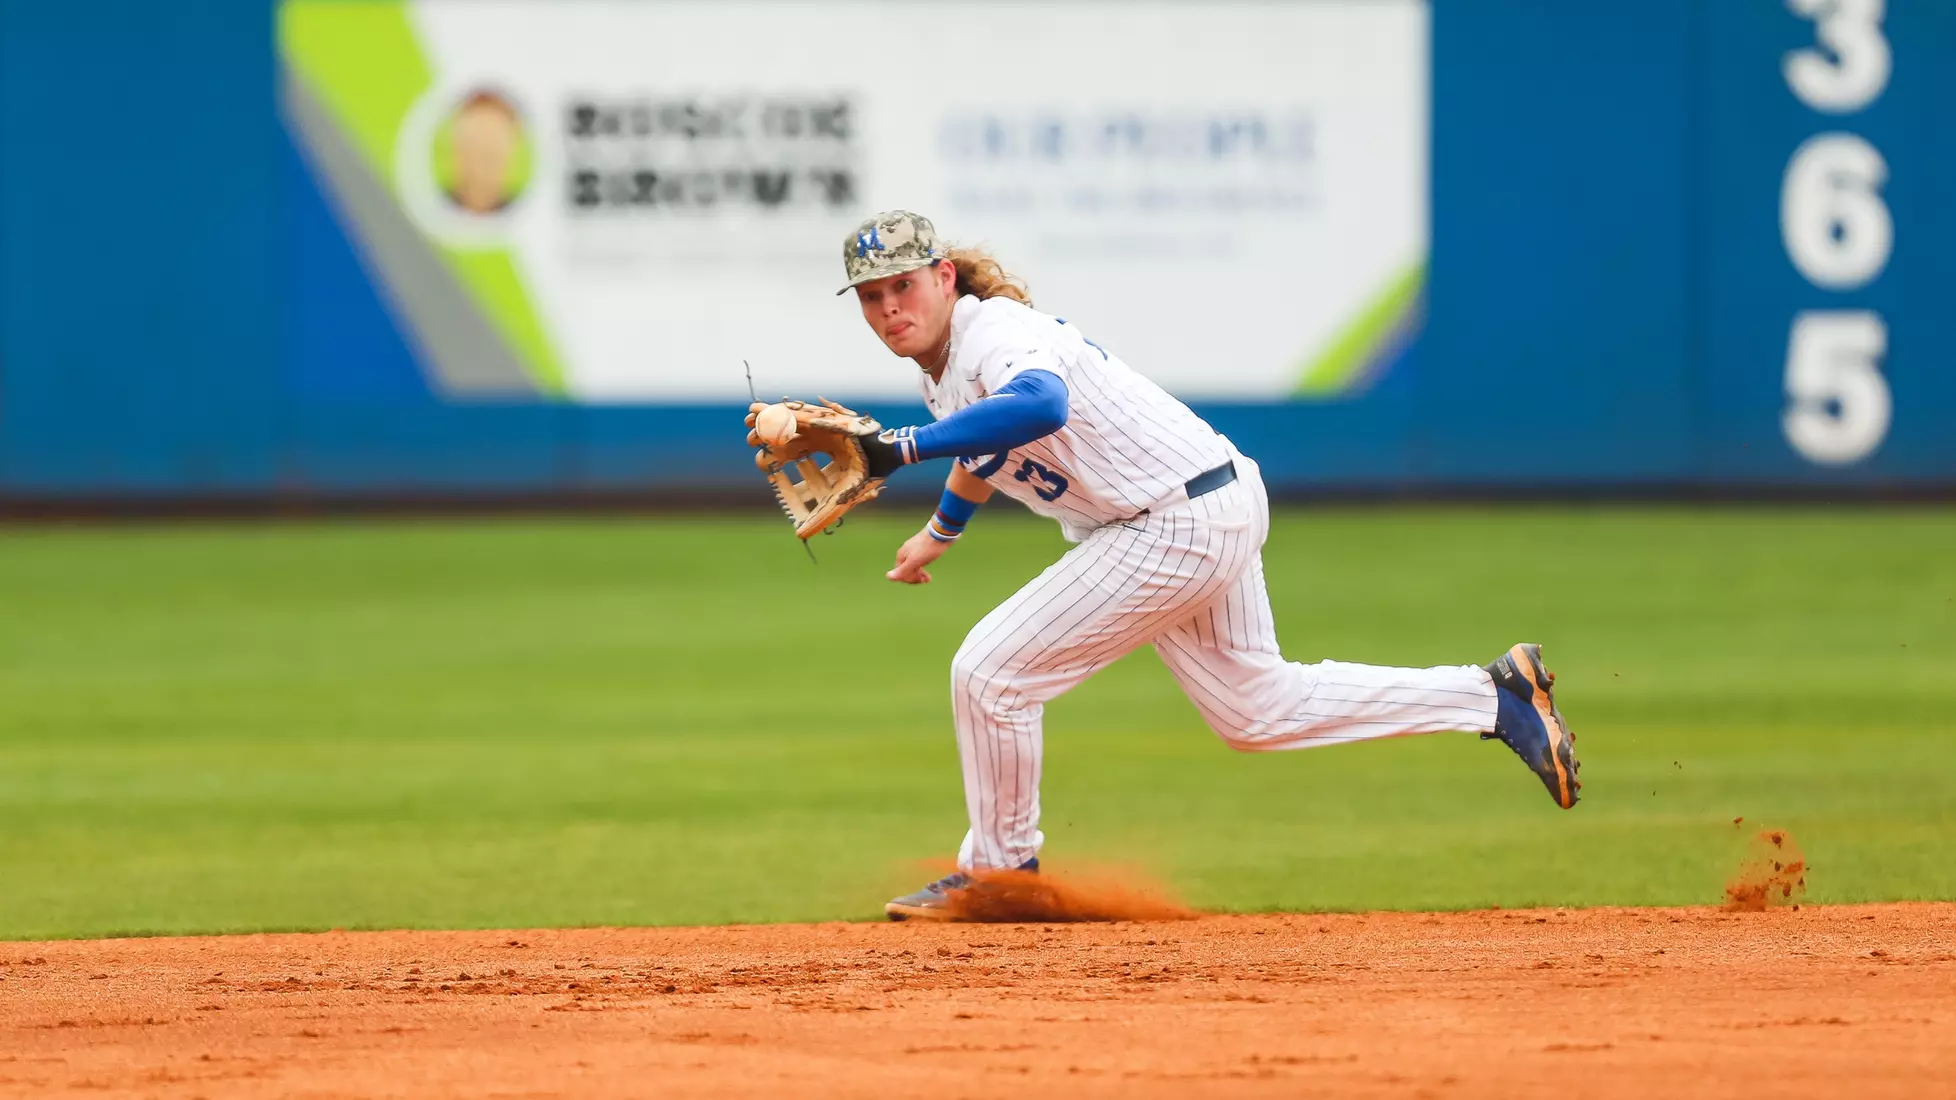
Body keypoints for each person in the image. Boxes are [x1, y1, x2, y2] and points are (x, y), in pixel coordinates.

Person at [829, 211, 1579, 922]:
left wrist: (899, 450)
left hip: (1173, 519)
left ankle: (999, 873)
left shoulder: (995, 332)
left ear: (946, 278)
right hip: (1202, 504)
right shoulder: (946, 367)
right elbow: (984, 450)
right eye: (873, 296)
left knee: (992, 673)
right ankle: (1495, 698)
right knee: (1258, 710)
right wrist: (942, 530)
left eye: (904, 285)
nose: (891, 306)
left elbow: (1040, 405)